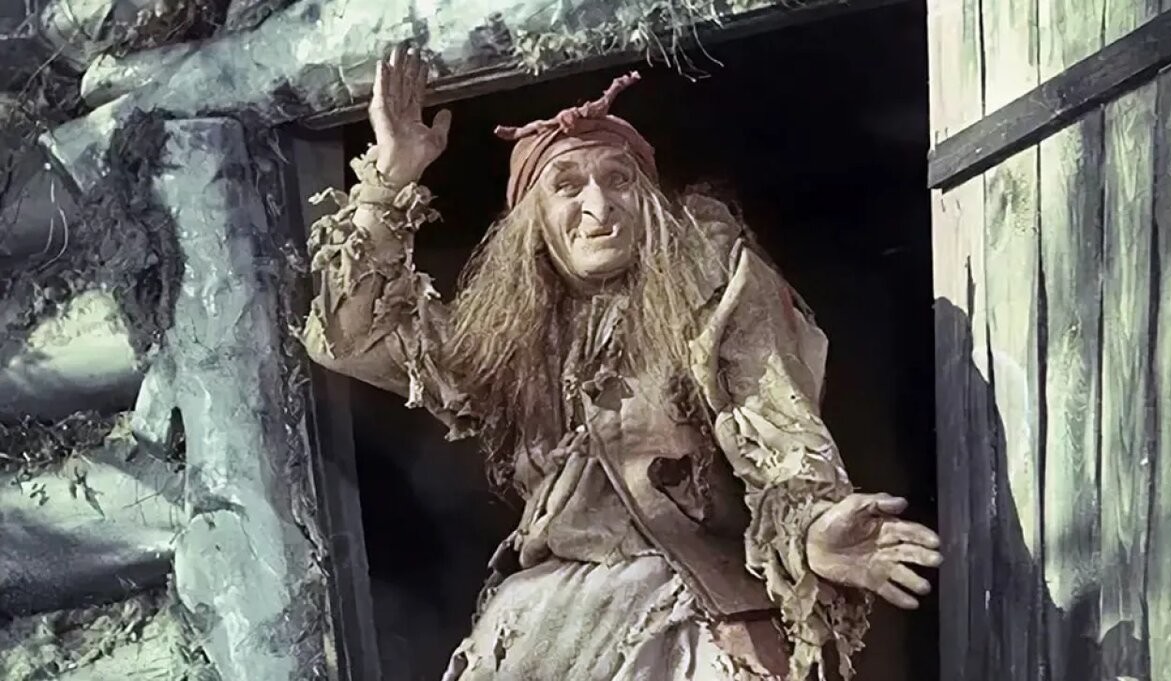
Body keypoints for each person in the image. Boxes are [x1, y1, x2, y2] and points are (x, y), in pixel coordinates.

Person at [302, 47, 941, 680]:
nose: (599, 209)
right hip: (549, 630)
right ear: (534, 222)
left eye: (619, 180)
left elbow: (775, 421)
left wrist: (812, 526)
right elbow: (351, 337)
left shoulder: (714, 291)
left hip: (692, 619)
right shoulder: (503, 339)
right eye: (567, 186)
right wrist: (390, 177)